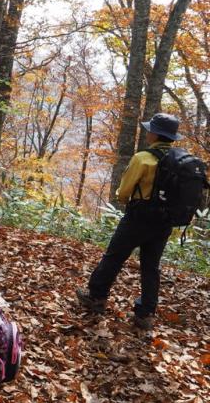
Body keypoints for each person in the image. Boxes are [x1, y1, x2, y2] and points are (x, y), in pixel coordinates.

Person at [76, 113, 186, 330]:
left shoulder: (142, 158)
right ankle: (145, 314)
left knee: (114, 257)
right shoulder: (179, 161)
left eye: (150, 129)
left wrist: (125, 197)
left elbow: (124, 193)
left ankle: (96, 297)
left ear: (155, 134)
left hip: (138, 217)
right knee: (151, 266)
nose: (147, 132)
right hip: (164, 222)